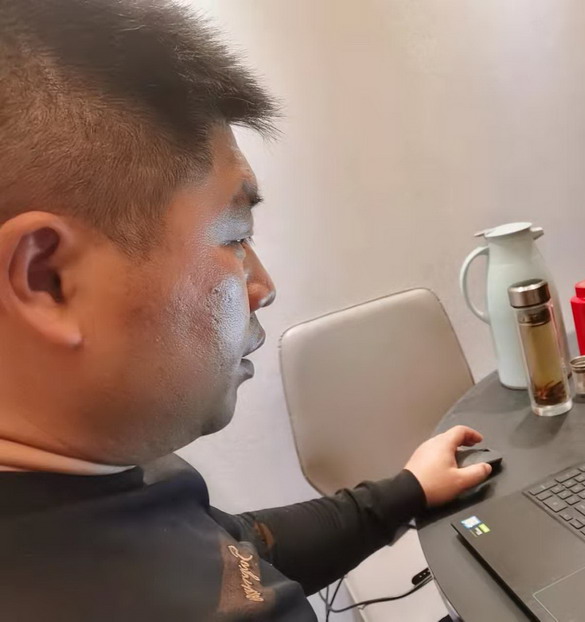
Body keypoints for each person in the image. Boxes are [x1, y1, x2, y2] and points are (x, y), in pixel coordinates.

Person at [0, 1, 492, 619]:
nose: (262, 285)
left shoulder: (92, 474)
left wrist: (408, 491)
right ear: (48, 278)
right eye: (234, 236)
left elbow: (237, 548)